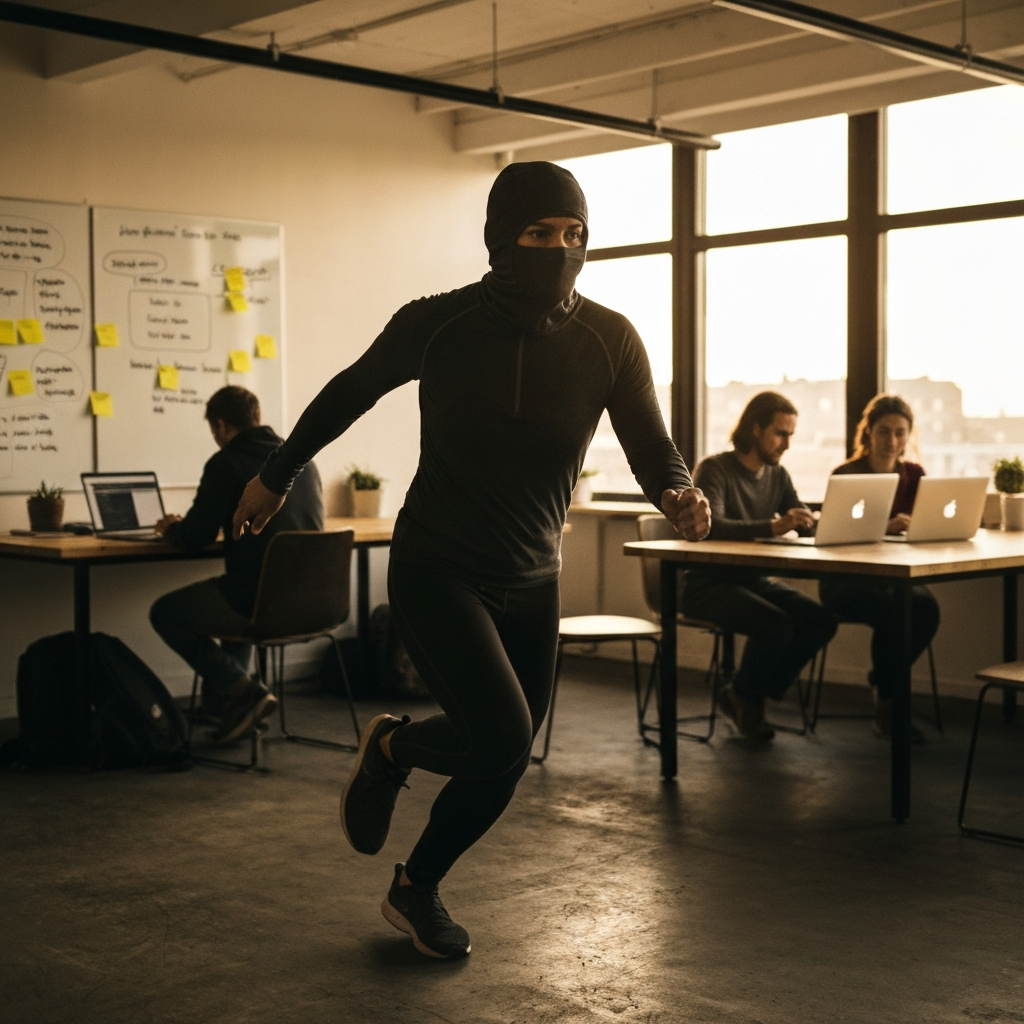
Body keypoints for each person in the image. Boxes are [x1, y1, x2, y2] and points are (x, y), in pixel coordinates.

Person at [231, 161, 712, 960]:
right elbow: (348, 392)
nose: (559, 250)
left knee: (505, 753)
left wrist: (678, 492)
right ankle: (393, 748)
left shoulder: (610, 339)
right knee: (499, 734)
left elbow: (650, 446)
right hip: (437, 565)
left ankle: (415, 884)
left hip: (533, 576)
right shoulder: (438, 324)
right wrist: (273, 476)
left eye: (574, 236)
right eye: (538, 233)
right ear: (498, 239)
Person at [149, 385, 324, 743]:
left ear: (221, 426)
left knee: (165, 612)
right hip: (316, 604)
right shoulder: (303, 461)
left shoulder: (225, 463)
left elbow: (194, 538)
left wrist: (171, 528)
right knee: (238, 590)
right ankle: (233, 704)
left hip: (258, 603)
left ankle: (242, 690)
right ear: (257, 418)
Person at [683, 391, 836, 741]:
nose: (787, 444)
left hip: (752, 580)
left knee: (820, 620)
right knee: (776, 624)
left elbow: (798, 517)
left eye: (791, 435)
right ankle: (747, 699)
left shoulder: (776, 475)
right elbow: (711, 527)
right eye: (781, 434)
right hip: (706, 585)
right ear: (755, 429)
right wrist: (773, 526)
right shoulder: (715, 469)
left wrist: (810, 521)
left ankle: (744, 692)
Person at [820, 393, 939, 742]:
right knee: (896, 611)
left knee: (925, 608)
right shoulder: (846, 474)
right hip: (844, 581)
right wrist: (884, 528)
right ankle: (889, 706)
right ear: (868, 432)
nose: (892, 441)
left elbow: (928, 525)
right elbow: (832, 534)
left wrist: (919, 525)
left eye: (900, 433)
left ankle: (882, 685)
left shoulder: (915, 475)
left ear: (908, 436)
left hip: (893, 577)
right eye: (884, 431)